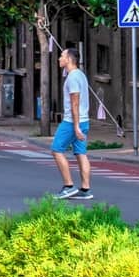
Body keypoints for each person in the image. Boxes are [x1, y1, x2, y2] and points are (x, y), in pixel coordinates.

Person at [52, 45, 93, 200]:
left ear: (69, 59)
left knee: (56, 149)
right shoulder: (80, 75)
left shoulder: (73, 78)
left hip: (72, 122)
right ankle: (85, 189)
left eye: (62, 56)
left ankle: (68, 186)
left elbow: (74, 103)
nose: (59, 58)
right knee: (81, 153)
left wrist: (75, 126)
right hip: (84, 121)